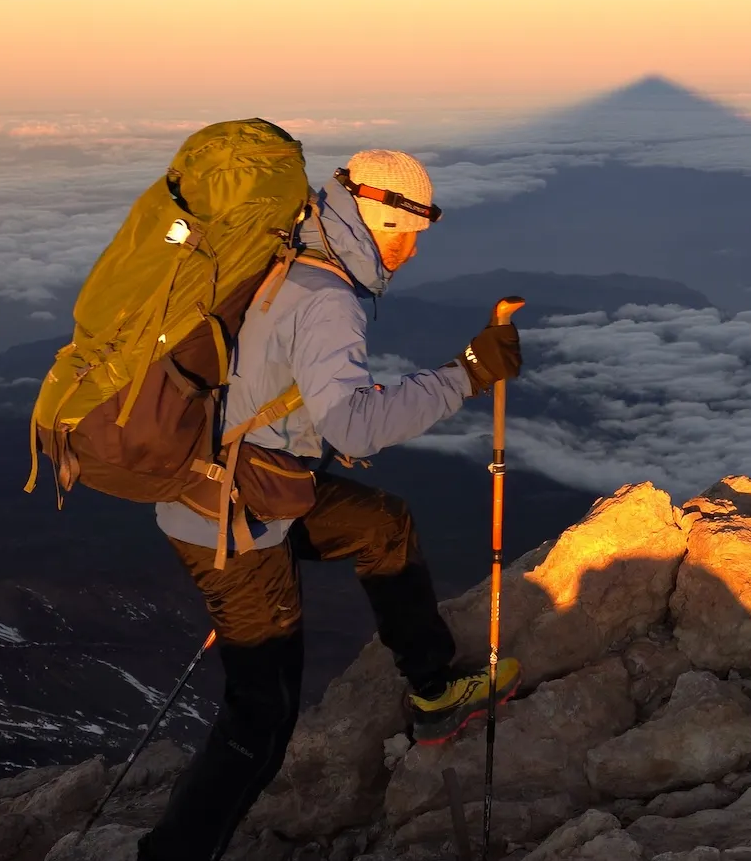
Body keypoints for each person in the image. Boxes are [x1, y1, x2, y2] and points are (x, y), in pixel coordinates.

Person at [140, 149, 523, 861]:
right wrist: (464, 378)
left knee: (382, 526)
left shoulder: (297, 256)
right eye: (407, 235)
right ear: (379, 222)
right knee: (261, 718)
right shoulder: (326, 298)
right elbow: (353, 426)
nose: (410, 252)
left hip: (255, 485)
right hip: (230, 522)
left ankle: (435, 691)